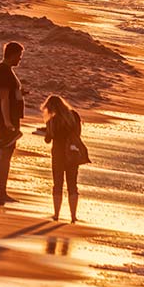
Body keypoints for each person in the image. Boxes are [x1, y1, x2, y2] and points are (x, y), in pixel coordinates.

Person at [41, 95, 90, 223]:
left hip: (58, 154)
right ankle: (73, 216)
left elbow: (48, 139)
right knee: (72, 185)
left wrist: (46, 131)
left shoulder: (52, 119)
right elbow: (78, 134)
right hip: (72, 153)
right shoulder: (74, 116)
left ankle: (56, 215)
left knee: (57, 184)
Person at [0, 42, 25, 205]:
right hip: (5, 120)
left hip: (7, 118)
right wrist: (7, 122)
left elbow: (9, 94)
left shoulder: (6, 71)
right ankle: (1, 193)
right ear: (12, 54)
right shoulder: (4, 72)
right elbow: (4, 98)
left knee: (5, 153)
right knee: (5, 154)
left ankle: (2, 192)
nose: (20, 59)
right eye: (19, 55)